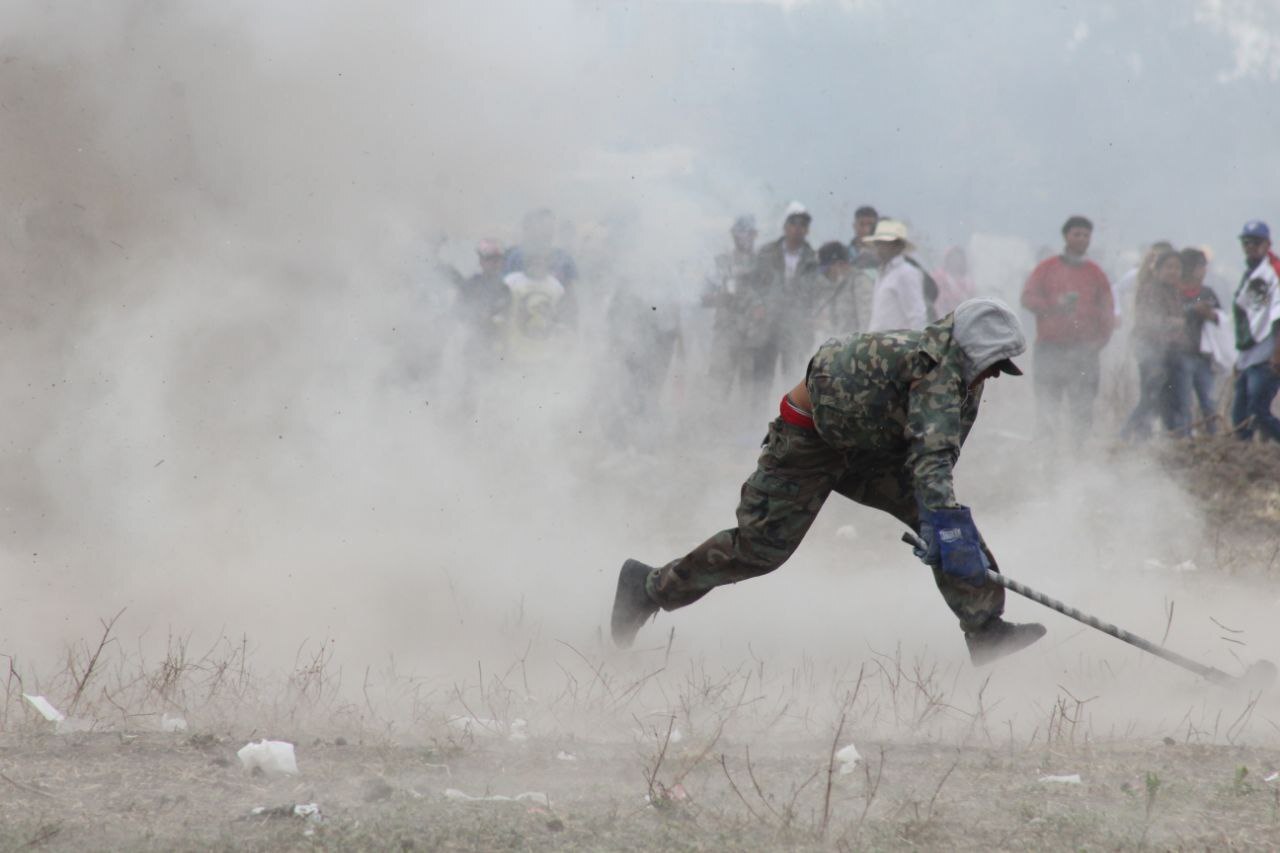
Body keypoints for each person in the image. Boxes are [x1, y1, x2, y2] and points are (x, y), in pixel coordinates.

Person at [609, 298, 1047, 666]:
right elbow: (932, 456)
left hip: (869, 449)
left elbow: (936, 456)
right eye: (993, 365)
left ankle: (985, 628)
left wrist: (941, 522)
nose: (995, 375)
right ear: (972, 353)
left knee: (949, 525)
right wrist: (942, 523)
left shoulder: (961, 377)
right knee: (760, 548)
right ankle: (649, 587)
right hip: (808, 442)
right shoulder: (936, 373)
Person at [1020, 215, 1115, 446]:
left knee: (1082, 406)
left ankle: (1077, 455)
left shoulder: (1096, 273)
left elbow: (1107, 311)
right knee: (1047, 403)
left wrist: (1099, 342)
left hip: (1084, 351)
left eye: (1086, 235)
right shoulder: (1047, 268)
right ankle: (1046, 456)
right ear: (1066, 236)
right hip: (1050, 347)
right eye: (1077, 234)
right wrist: (1054, 306)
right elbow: (1027, 298)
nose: (1082, 239)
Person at [1121, 249, 1188, 440]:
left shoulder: (1173, 291)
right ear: (1157, 270)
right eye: (1169, 267)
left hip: (1166, 351)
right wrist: (1176, 322)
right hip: (1151, 350)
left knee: (1160, 398)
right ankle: (1126, 435)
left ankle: (1150, 438)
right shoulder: (1152, 289)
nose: (1173, 271)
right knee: (1151, 397)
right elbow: (1150, 321)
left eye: (1177, 267)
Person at [753, 203, 819, 388]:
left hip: (795, 329)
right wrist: (757, 305)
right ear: (785, 226)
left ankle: (788, 416)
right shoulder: (766, 253)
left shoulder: (812, 259)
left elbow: (815, 293)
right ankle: (756, 414)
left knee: (793, 377)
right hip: (767, 326)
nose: (798, 229)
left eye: (803, 225)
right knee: (761, 380)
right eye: (794, 223)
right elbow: (753, 285)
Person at [1230, 220, 1280, 443]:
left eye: (1256, 242)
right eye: (1246, 242)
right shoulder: (1251, 273)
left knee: (1257, 411)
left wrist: (1277, 353)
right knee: (1240, 413)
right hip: (1250, 355)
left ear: (1267, 244)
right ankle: (1242, 461)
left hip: (1268, 355)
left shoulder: (1273, 274)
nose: (1250, 246)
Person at [704, 215, 759, 396]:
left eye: (749, 233)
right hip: (725, 336)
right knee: (717, 389)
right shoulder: (721, 262)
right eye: (740, 232)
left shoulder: (763, 265)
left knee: (750, 393)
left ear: (755, 234)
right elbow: (703, 298)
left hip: (752, 338)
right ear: (733, 235)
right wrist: (721, 298)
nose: (744, 237)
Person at [1175, 248, 1222, 435]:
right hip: (1182, 353)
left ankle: (1213, 437)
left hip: (1203, 355)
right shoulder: (1175, 292)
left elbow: (1221, 319)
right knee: (1184, 400)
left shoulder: (1208, 292)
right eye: (1201, 266)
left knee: (1208, 400)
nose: (1204, 271)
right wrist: (1193, 310)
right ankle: (1185, 437)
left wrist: (1210, 314)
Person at [864, 219, 929, 332]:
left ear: (898, 246)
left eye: (884, 244)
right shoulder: (883, 274)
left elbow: (917, 315)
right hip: (879, 344)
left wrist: (918, 346)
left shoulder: (906, 273)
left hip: (898, 345)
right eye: (878, 244)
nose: (879, 249)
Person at [811, 241, 874, 337]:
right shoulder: (837, 285)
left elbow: (867, 323)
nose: (825, 275)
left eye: (827, 270)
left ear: (840, 264)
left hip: (856, 347)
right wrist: (823, 325)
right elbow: (839, 324)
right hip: (840, 346)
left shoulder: (860, 282)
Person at [933, 246, 978, 317]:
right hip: (941, 315)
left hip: (962, 316)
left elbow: (972, 299)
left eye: (959, 258)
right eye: (953, 257)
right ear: (947, 259)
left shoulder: (968, 281)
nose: (956, 261)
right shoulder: (939, 276)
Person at [848, 205, 881, 270]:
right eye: (861, 224)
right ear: (854, 226)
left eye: (870, 224)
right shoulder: (845, 254)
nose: (866, 230)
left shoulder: (886, 254)